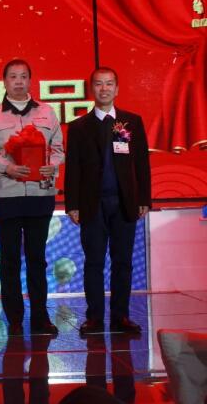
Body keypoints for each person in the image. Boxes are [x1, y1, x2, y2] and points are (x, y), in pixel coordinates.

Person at [0, 59, 64, 336]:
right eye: (13, 77)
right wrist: (8, 167)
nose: (18, 81)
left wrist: (52, 164)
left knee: (37, 259)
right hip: (7, 194)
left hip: (40, 193)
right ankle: (14, 318)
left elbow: (59, 148)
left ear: (30, 80)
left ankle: (41, 317)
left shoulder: (47, 112)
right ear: (4, 81)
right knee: (10, 259)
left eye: (23, 76)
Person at [65, 67, 151, 335]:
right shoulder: (79, 126)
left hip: (124, 203)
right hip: (92, 204)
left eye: (109, 84)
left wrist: (144, 198)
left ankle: (120, 317)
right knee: (94, 262)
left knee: (123, 261)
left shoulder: (130, 122)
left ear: (117, 89)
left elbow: (141, 163)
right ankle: (94, 318)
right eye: (99, 84)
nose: (104, 89)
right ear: (92, 89)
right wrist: (72, 204)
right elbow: (73, 168)